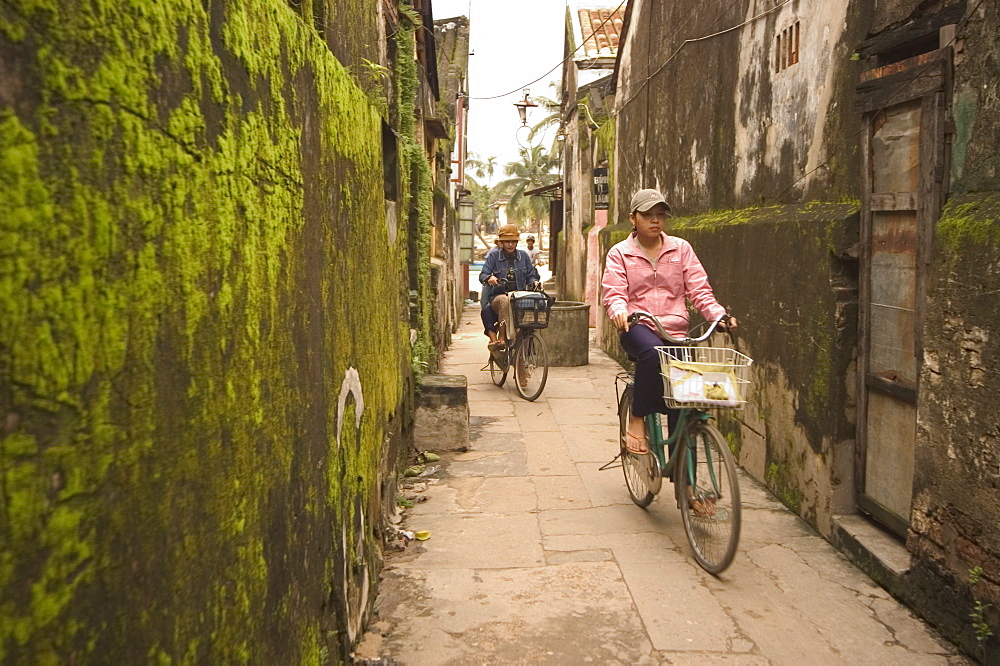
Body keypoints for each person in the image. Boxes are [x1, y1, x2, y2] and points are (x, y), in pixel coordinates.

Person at [601, 188, 737, 456]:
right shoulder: (620, 253)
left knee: (684, 400)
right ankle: (637, 419)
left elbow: (699, 290)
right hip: (637, 326)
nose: (655, 220)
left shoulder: (681, 248)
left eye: (660, 215)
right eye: (648, 215)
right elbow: (615, 292)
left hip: (676, 330)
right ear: (633, 218)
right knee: (652, 353)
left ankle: (687, 486)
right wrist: (619, 311)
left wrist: (718, 315)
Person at [480, 224, 540, 357]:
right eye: (507, 241)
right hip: (498, 297)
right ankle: (501, 337)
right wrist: (490, 277)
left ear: (517, 242)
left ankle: (524, 363)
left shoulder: (524, 256)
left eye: (513, 241)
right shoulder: (494, 257)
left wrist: (534, 281)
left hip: (519, 297)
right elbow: (483, 274)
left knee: (529, 323)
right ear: (501, 242)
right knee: (504, 300)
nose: (510, 244)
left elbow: (530, 275)